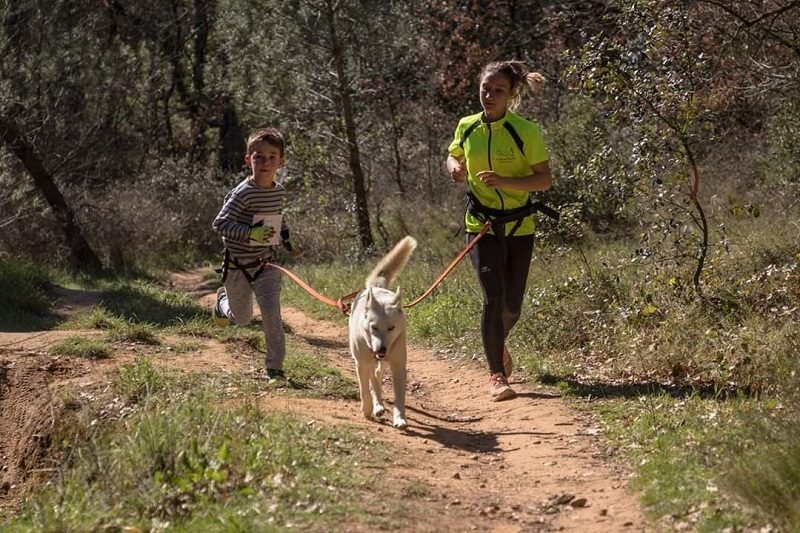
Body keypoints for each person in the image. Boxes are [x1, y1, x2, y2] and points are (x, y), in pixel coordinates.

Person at [446, 61, 553, 401]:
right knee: (493, 298)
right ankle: (496, 376)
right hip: (481, 225)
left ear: (512, 95)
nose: (489, 96)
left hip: (520, 226)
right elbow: (452, 153)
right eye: (485, 90)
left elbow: (544, 180)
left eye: (498, 91)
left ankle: (497, 342)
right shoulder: (467, 126)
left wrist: (506, 181)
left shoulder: (525, 131)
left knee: (512, 306)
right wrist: (454, 168)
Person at [211, 127, 299, 383]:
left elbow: (278, 220)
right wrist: (250, 233)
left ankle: (275, 368)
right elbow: (220, 224)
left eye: (272, 157)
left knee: (272, 313)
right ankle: (222, 303)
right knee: (242, 318)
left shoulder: (279, 192)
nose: (265, 162)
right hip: (237, 264)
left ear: (281, 162)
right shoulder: (242, 193)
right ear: (248, 159)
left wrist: (288, 244)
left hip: (265, 265)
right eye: (258, 156)